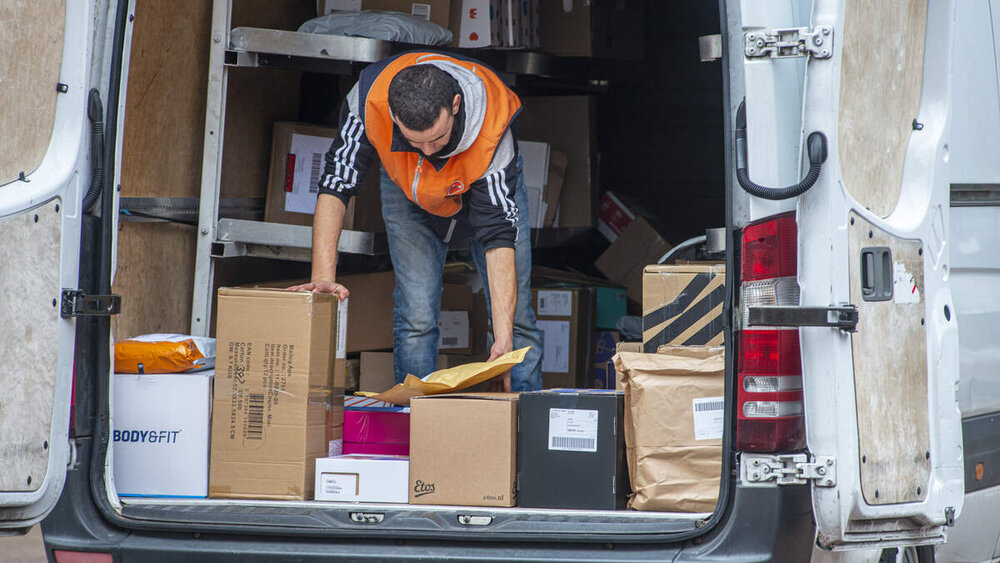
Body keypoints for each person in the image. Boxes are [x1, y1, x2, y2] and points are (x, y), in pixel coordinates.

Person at [288, 51, 543, 391]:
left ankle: (525, 425)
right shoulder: (369, 100)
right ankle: (414, 424)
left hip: (479, 183)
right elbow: (336, 185)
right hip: (407, 190)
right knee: (416, 317)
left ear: (454, 105)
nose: (427, 151)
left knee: (517, 322)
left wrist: (503, 339)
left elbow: (498, 236)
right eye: (414, 141)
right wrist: (322, 276)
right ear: (394, 115)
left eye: (436, 140)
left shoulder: (491, 126)